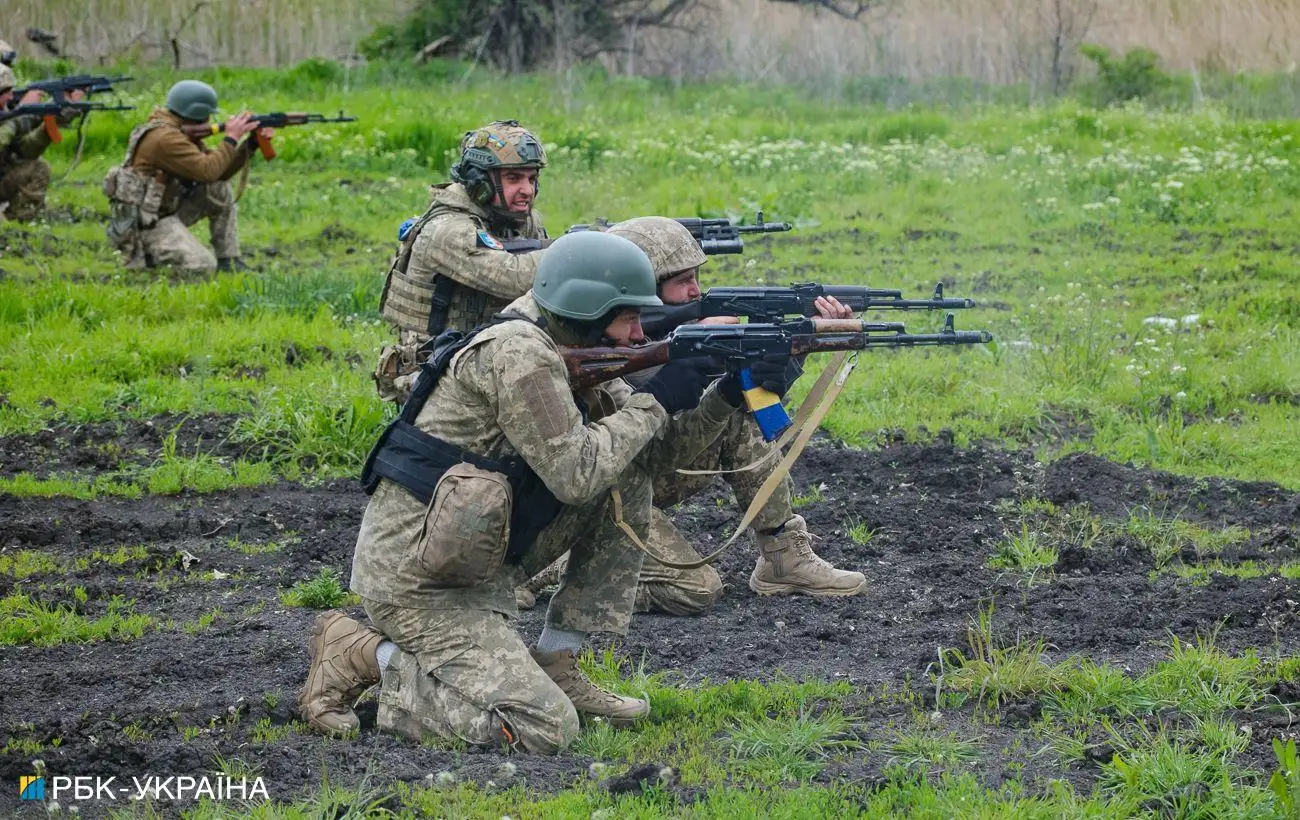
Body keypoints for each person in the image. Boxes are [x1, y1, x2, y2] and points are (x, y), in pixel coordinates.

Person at [299, 231, 798, 753]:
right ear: (588, 309)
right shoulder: (519, 355)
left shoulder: (574, 341)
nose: (637, 335)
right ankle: (365, 654)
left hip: (476, 558)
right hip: (420, 582)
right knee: (544, 729)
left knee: (624, 473)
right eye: (629, 318)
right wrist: (655, 401)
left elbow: (651, 457)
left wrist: (722, 396)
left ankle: (558, 660)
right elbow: (576, 473)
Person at [519, 217, 868, 615]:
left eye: (696, 277)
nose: (695, 291)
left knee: (739, 412)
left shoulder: (657, 339)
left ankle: (783, 556)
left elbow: (681, 434)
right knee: (696, 591)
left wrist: (781, 357)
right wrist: (686, 368)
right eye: (682, 280)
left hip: (644, 469)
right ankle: (559, 562)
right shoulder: (581, 352)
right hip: (592, 490)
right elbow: (618, 445)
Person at [374, 119, 549, 402]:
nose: (527, 190)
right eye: (514, 178)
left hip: (479, 352)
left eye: (532, 178)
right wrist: (580, 250)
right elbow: (515, 278)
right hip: (431, 370)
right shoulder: (447, 229)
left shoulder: (518, 219)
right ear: (480, 182)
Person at [102, 79, 268, 271]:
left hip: (167, 210)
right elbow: (207, 171)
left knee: (219, 189)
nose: (210, 121)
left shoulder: (177, 131)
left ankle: (228, 261)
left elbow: (218, 173)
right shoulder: (165, 138)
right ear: (197, 114)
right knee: (202, 266)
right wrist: (231, 137)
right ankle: (149, 254)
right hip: (147, 224)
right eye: (207, 116)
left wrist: (250, 144)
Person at [0, 63, 82, 222]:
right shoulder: (8, 120)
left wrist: (49, 119)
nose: (10, 97)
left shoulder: (5, 113)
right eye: (4, 92)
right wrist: (22, 114)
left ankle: (17, 220)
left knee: (38, 168)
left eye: (11, 91)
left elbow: (24, 151)